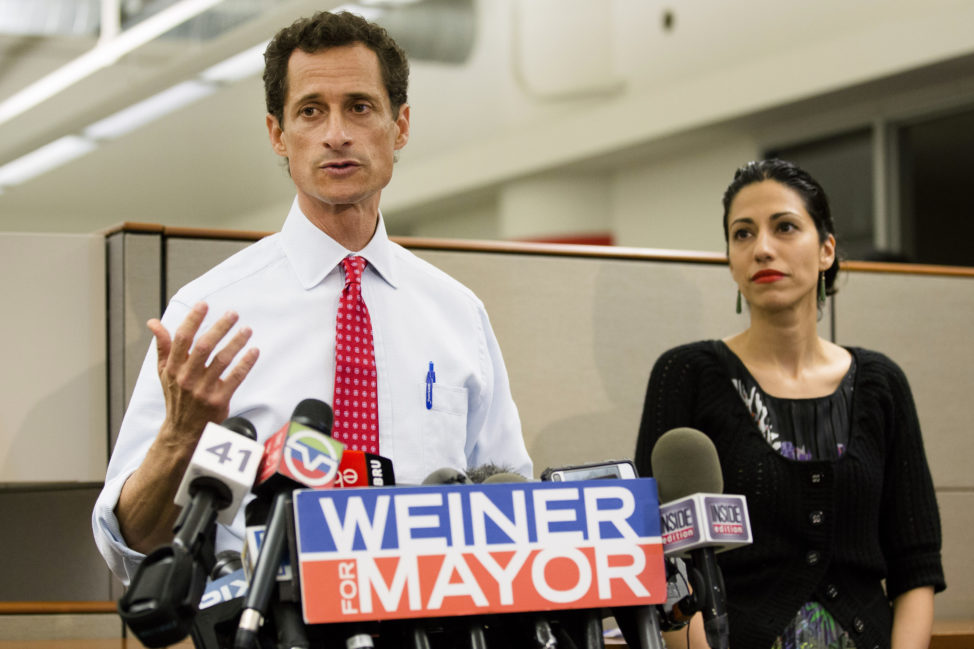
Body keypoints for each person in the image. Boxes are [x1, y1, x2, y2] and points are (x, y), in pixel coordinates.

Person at [93, 11, 532, 584]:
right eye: (310, 111)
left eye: (359, 106)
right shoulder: (211, 315)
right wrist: (181, 435)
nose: (336, 134)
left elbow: (513, 506)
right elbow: (130, 544)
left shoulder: (457, 315)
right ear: (279, 134)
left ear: (399, 126)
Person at [634, 159, 945, 649]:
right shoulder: (686, 375)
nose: (762, 248)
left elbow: (917, 567)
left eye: (784, 227)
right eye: (742, 234)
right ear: (730, 258)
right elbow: (660, 559)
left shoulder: (882, 384)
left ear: (826, 250)